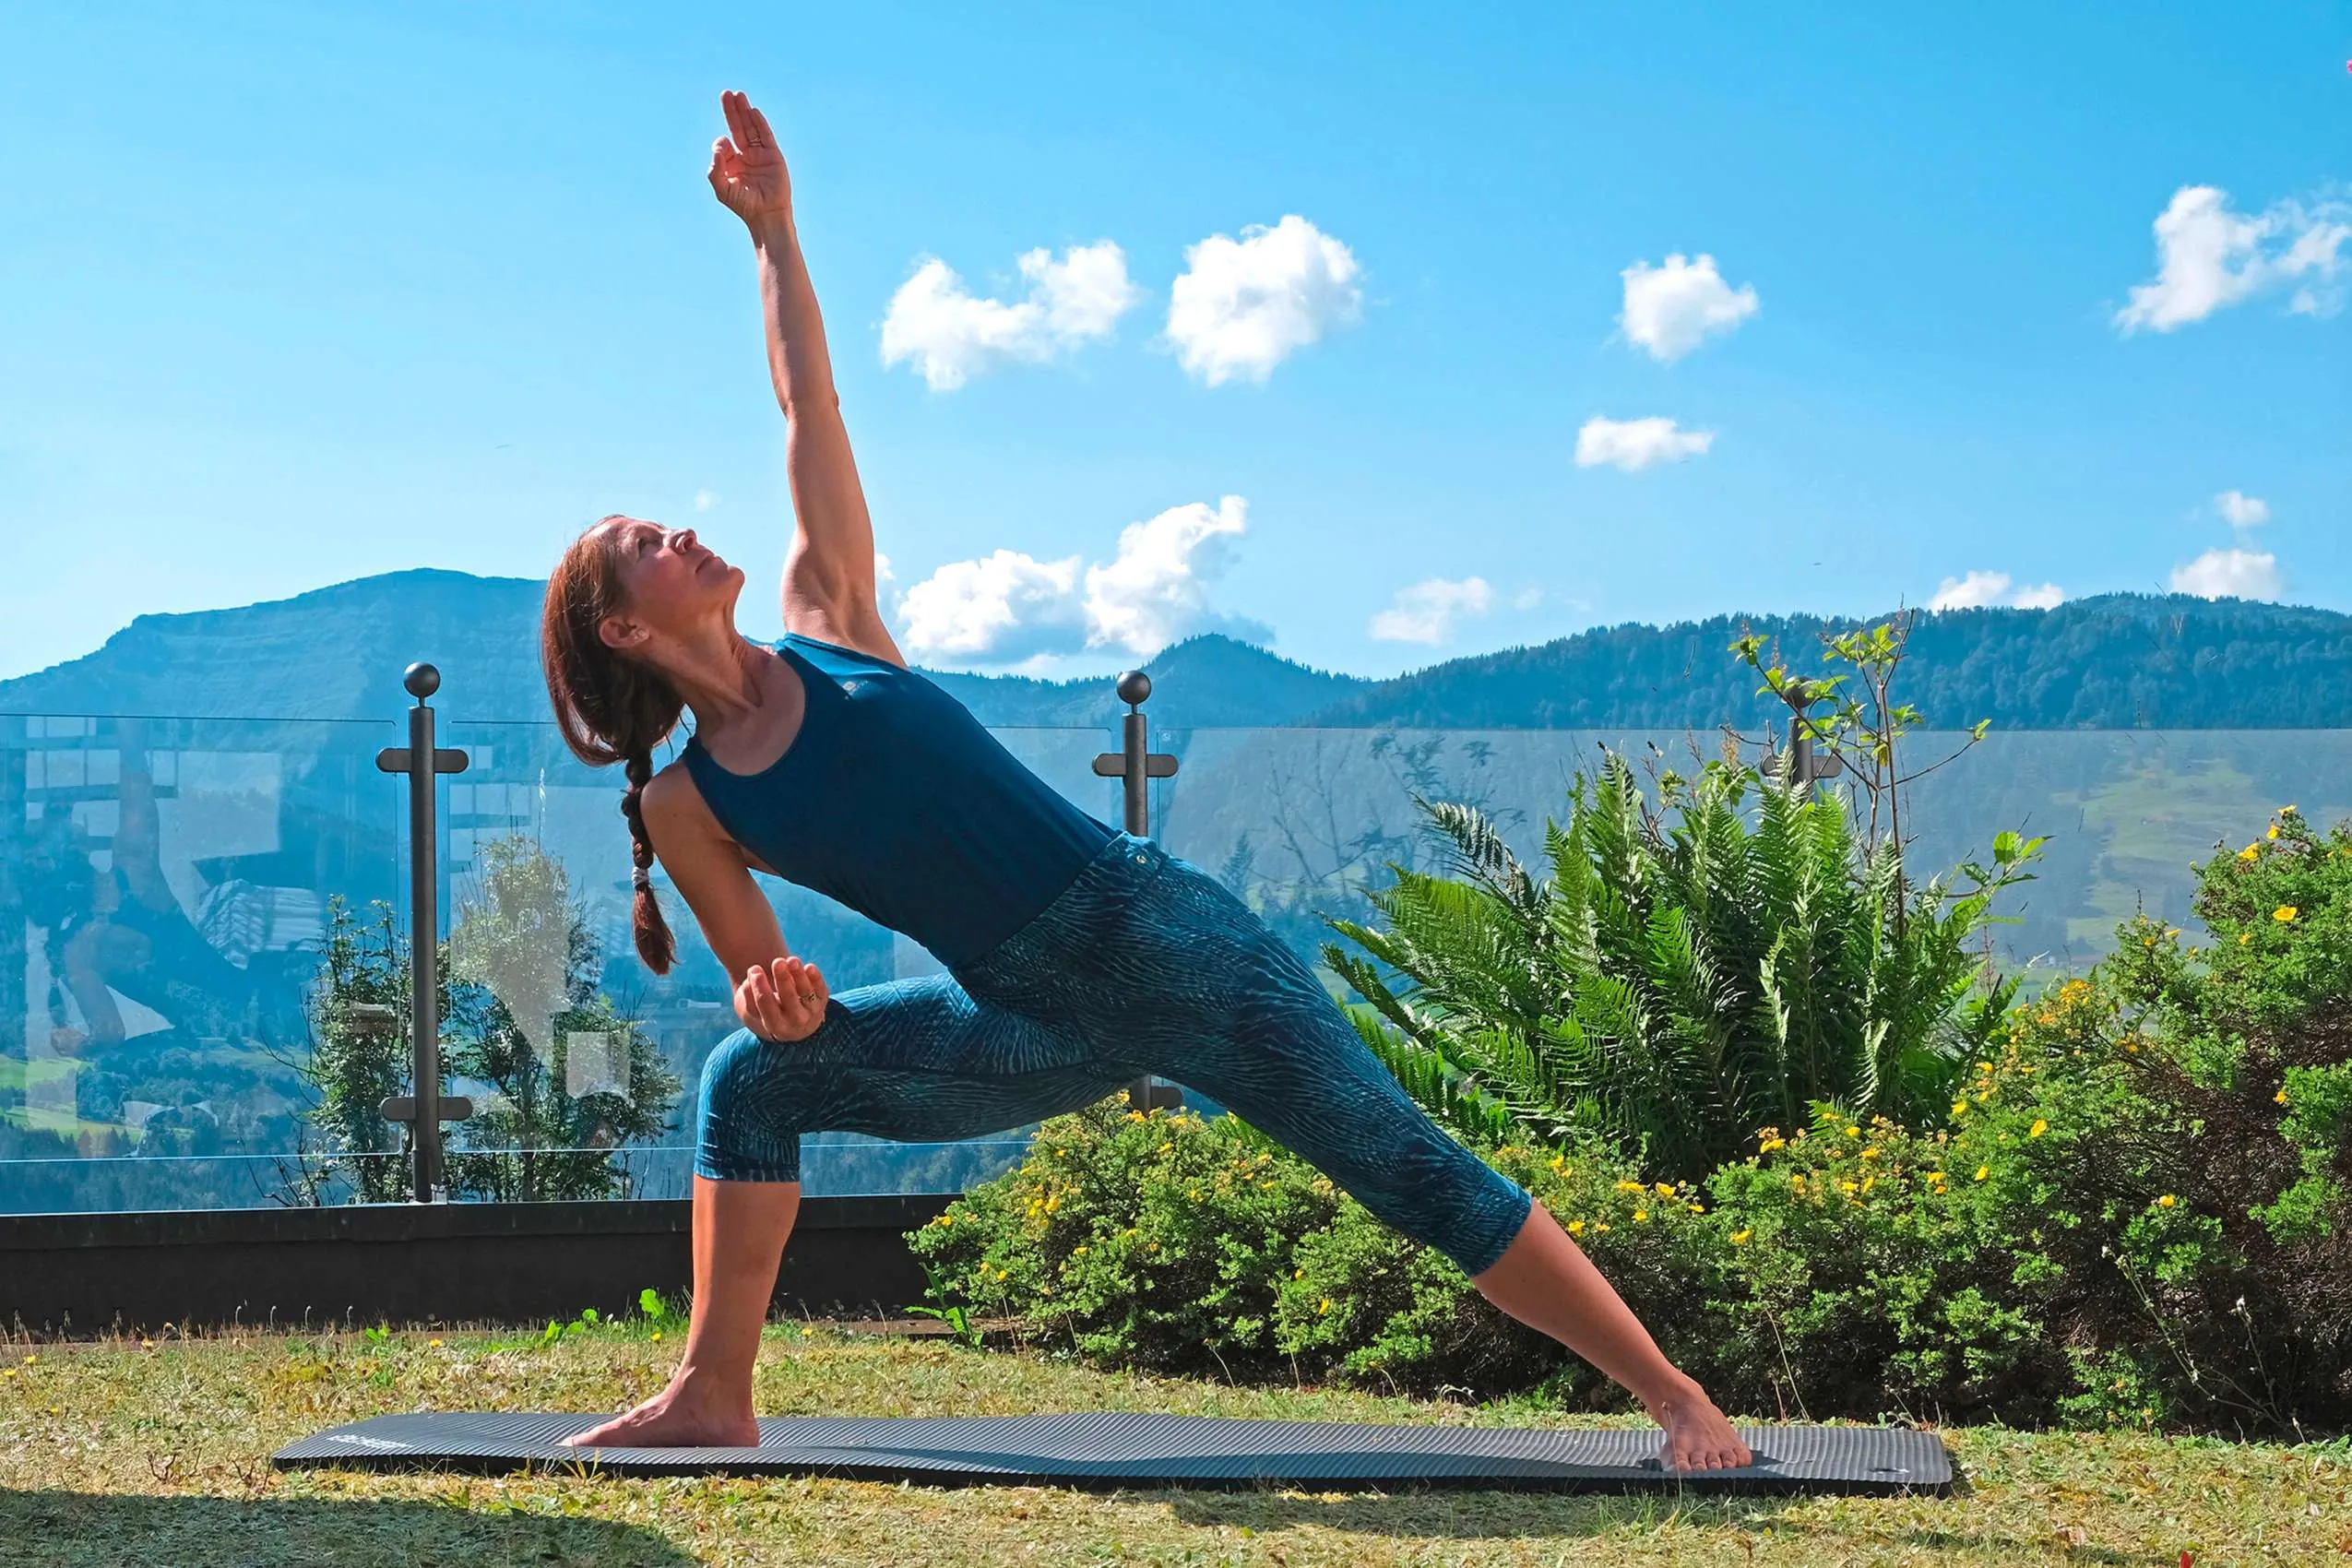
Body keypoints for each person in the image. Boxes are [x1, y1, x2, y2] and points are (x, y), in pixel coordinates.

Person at [539, 89, 1752, 1471]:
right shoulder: (688, 806)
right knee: (748, 1079)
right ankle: (714, 1393)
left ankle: (1678, 1402)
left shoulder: (835, 622)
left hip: (1170, 948)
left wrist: (773, 231)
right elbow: (775, 991)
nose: (681, 532)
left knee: (1406, 1167)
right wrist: (783, 999)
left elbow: (805, 400)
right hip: (1024, 1015)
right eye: (645, 544)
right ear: (622, 629)